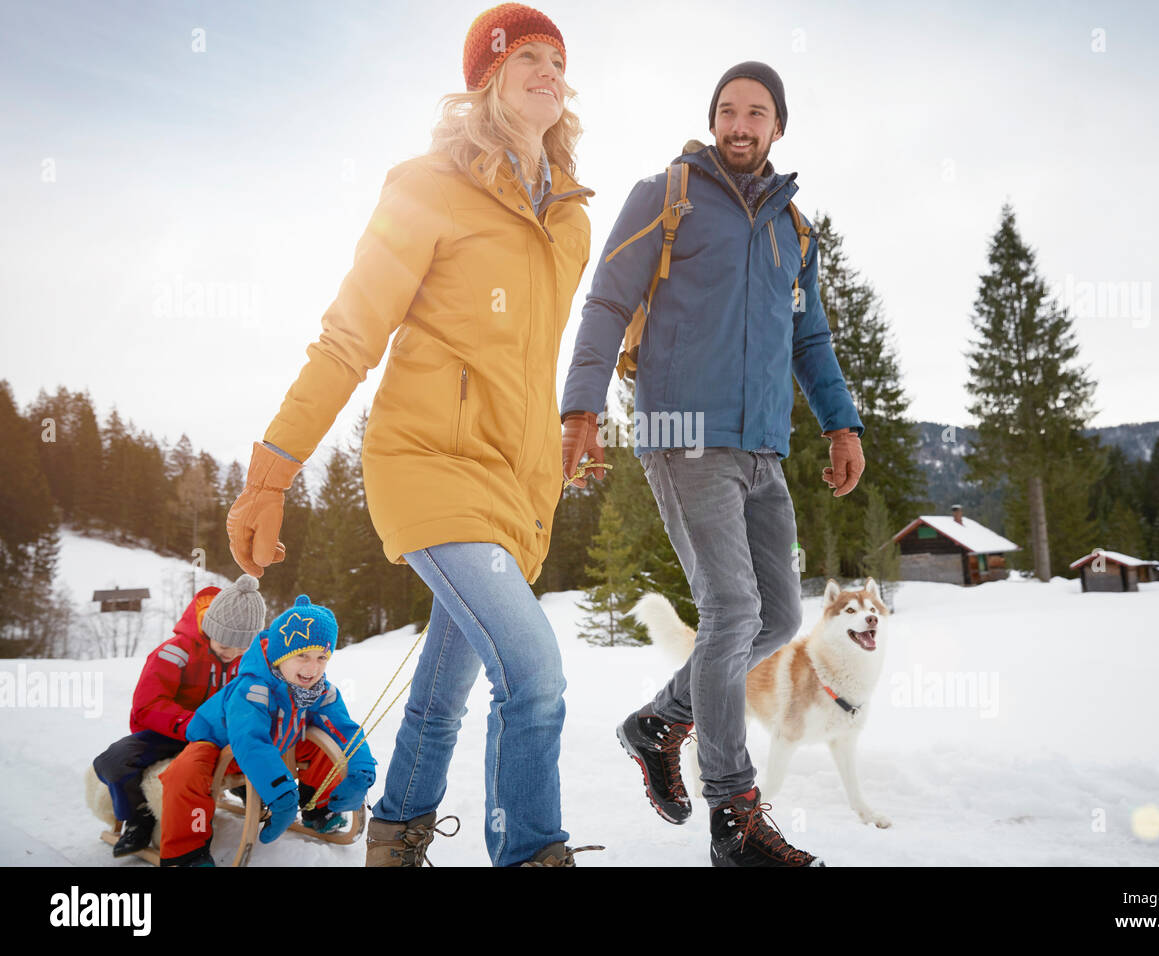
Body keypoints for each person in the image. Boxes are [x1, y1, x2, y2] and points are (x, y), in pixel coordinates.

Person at [224, 3, 598, 867]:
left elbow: (542, 350)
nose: (548, 69)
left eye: (557, 58)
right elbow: (349, 336)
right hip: (428, 463)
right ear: (486, 79)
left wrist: (582, 412)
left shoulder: (571, 221)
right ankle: (533, 853)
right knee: (534, 677)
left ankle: (394, 838)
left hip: (516, 483)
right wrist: (271, 473)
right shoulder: (427, 187)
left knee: (441, 692)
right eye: (526, 56)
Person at [560, 61, 866, 866]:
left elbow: (810, 340)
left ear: (777, 128)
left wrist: (843, 425)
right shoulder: (667, 196)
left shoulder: (793, 231)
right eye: (728, 111)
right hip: (683, 433)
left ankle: (659, 722)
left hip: (763, 447)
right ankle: (734, 815)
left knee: (777, 617)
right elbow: (607, 301)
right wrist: (582, 408)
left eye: (756, 114)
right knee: (731, 609)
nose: (740, 124)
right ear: (713, 120)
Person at [158, 594, 376, 866]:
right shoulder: (253, 689)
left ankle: (318, 809)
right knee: (185, 772)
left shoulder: (320, 690)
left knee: (322, 744)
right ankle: (186, 853)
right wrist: (281, 794)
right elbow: (249, 741)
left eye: (322, 656)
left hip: (274, 745)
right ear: (279, 655)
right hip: (221, 745)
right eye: (302, 655)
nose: (313, 667)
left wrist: (361, 771)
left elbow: (344, 730)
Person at [92, 573, 266, 856]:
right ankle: (139, 817)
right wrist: (190, 724)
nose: (231, 654)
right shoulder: (175, 652)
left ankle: (247, 791)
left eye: (241, 647)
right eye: (224, 645)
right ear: (209, 630)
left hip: (217, 738)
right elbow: (147, 705)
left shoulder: (249, 656)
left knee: (255, 742)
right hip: (171, 731)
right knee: (113, 761)